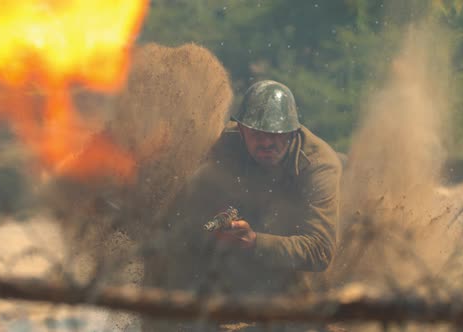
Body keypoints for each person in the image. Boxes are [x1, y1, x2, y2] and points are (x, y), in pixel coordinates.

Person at [142, 80, 342, 331]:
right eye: (257, 134)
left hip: (282, 277)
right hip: (224, 269)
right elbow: (177, 201)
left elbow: (320, 251)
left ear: (292, 132)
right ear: (241, 129)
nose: (266, 143)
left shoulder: (319, 165)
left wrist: (255, 241)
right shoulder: (223, 143)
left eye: (276, 135)